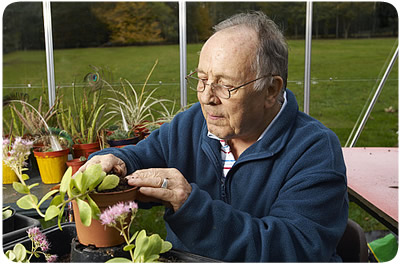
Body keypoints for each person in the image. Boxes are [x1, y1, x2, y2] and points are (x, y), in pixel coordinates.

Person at [81, 11, 348, 262]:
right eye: (202, 79)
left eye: (225, 85)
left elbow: (296, 249)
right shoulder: (192, 123)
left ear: (270, 89)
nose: (207, 98)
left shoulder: (314, 149)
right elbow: (140, 156)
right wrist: (114, 160)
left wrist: (191, 208)